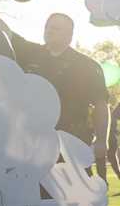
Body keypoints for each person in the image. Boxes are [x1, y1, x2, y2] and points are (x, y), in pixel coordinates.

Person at [24, 13, 108, 158]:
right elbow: (6, 32)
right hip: (33, 141)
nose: (49, 31)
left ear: (69, 35)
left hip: (72, 141)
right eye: (47, 27)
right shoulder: (31, 54)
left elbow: (100, 104)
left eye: (56, 28)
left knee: (72, 180)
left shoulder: (87, 66)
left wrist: (101, 140)